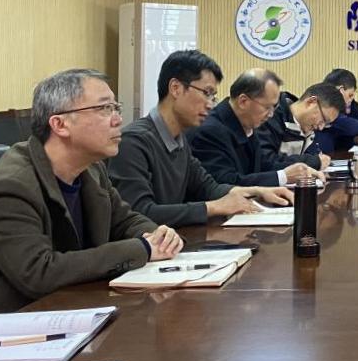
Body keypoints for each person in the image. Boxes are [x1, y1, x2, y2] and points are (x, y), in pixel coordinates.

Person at [0, 69, 183, 338]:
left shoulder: (91, 170)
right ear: (60, 124)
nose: (118, 119)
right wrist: (142, 248)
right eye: (104, 108)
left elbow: (124, 220)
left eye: (116, 107)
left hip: (60, 313)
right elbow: (39, 273)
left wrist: (157, 235)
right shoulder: (10, 186)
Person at [109, 51, 294, 228]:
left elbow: (209, 188)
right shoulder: (133, 142)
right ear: (176, 88)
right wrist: (212, 207)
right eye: (206, 93)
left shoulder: (179, 139)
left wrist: (258, 191)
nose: (210, 104)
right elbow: (139, 213)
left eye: (213, 96)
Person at [189, 69, 324, 187]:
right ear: (243, 101)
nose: (271, 114)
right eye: (267, 107)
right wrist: (283, 177)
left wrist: (300, 170)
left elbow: (264, 165)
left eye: (274, 107)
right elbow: (224, 183)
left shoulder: (246, 124)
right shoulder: (210, 130)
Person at [257, 82, 344, 170]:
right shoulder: (269, 115)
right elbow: (265, 162)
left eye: (327, 124)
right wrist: (312, 162)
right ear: (311, 102)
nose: (321, 127)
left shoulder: (308, 129)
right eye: (323, 119)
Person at [316, 68, 358, 153]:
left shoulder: (350, 104)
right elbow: (342, 123)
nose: (351, 99)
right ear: (341, 90)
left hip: (335, 154)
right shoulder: (324, 104)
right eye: (350, 95)